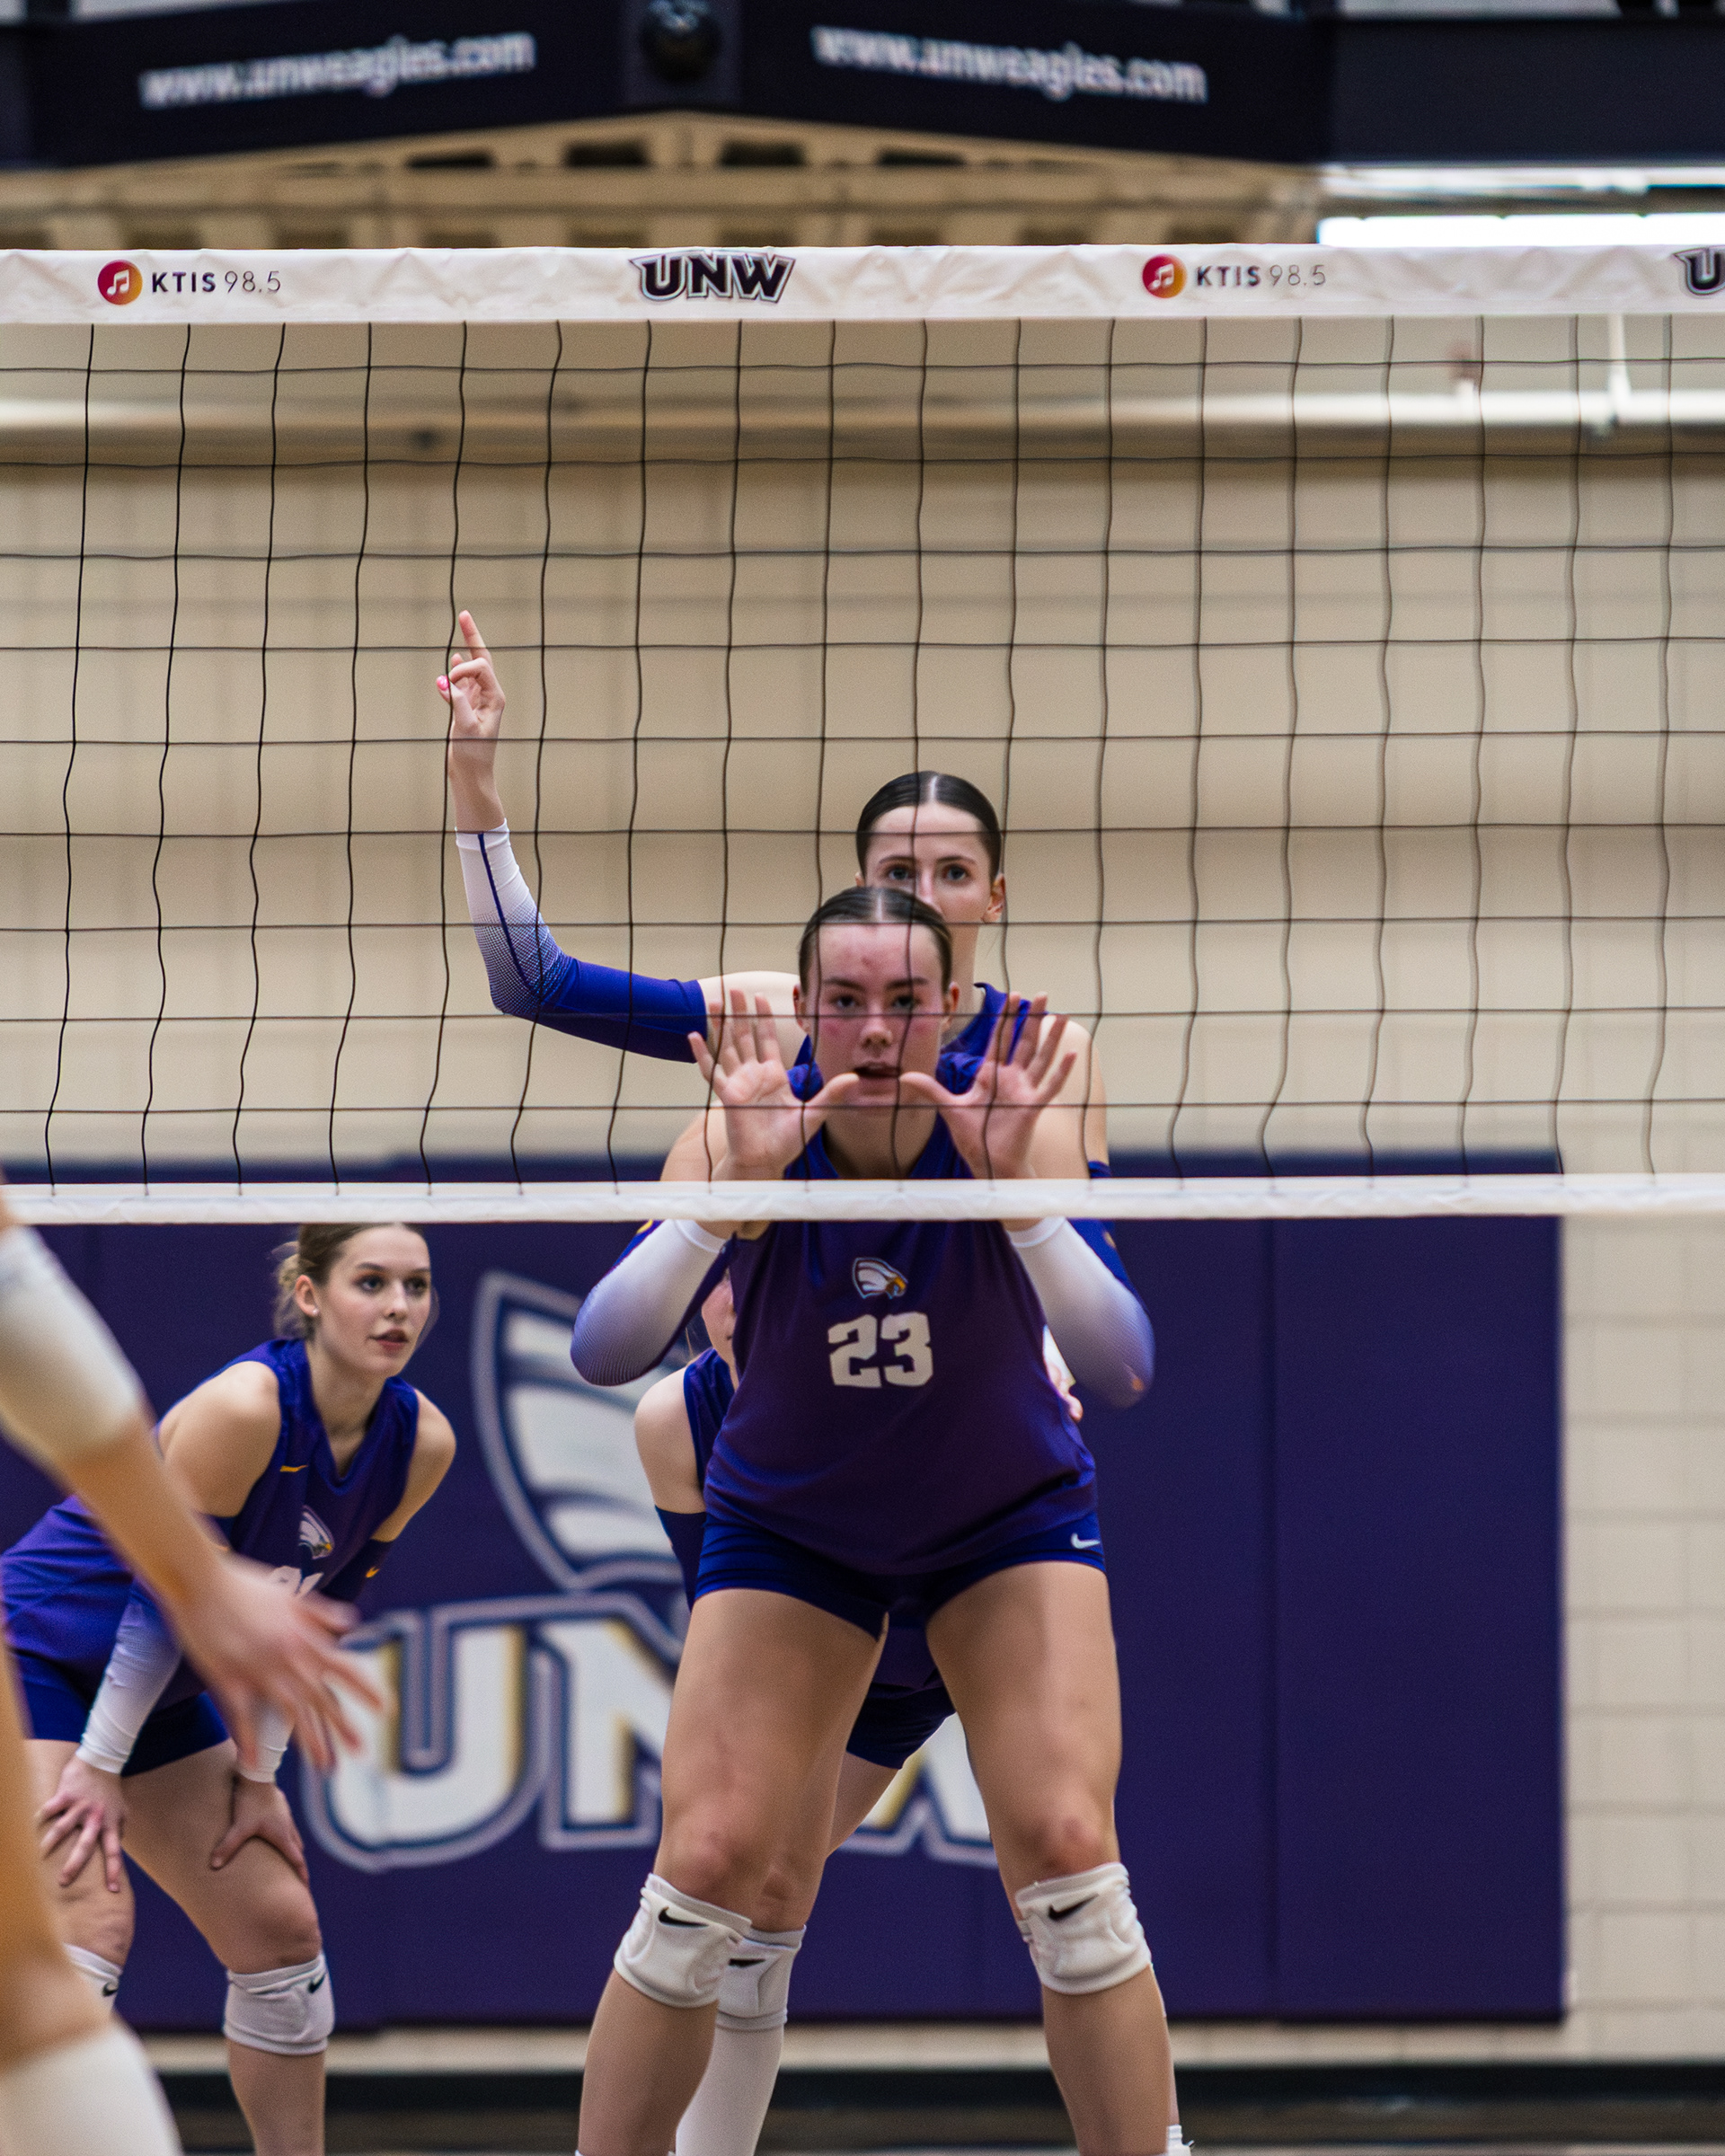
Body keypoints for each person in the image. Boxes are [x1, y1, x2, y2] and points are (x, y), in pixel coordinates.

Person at [569, 888, 1164, 2156]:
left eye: (905, 1001)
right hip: (798, 1533)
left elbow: (1121, 1365)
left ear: (950, 1007)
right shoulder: (746, 1124)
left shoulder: (1009, 1124)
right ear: (808, 1009)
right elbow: (605, 1350)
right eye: (846, 1001)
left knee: (1073, 1865)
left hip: (1001, 1525)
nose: (878, 1028)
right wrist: (726, 1200)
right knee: (707, 1873)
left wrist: (1023, 1204)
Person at [4, 1223, 456, 2156]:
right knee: (90, 1918)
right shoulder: (246, 1407)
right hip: (36, 1654)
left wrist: (258, 1781)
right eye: (371, 1282)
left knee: (279, 1928)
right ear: (309, 1295)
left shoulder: (422, 1442)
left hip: (155, 1698)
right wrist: (97, 1766)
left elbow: (302, 1620)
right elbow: (161, 1600)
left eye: (416, 1286)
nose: (398, 1309)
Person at [437, 608, 1109, 1166]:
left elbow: (1089, 1263)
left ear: (995, 897)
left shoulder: (1047, 1050)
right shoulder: (780, 1019)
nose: (923, 897)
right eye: (899, 873)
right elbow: (531, 985)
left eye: (954, 873)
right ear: (861, 888)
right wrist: (474, 782)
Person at [634, 1268, 960, 2156]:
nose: (739, 1297)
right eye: (719, 1275)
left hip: (947, 1654)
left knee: (1073, 1879)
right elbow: (732, 1625)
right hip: (808, 1662)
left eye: (765, 1266)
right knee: (724, 1898)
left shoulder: (901, 1379)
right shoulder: (676, 1419)